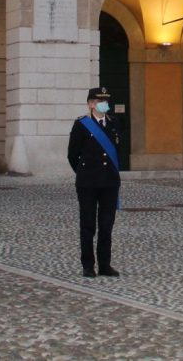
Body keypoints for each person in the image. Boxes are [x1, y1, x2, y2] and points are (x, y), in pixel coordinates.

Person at [67, 87, 122, 277]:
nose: (104, 104)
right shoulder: (81, 125)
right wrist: (84, 172)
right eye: (100, 101)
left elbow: (116, 150)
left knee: (106, 225)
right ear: (91, 103)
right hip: (88, 183)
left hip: (109, 182)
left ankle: (105, 264)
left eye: (106, 101)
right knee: (88, 225)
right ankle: (88, 265)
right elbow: (72, 155)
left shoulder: (114, 123)